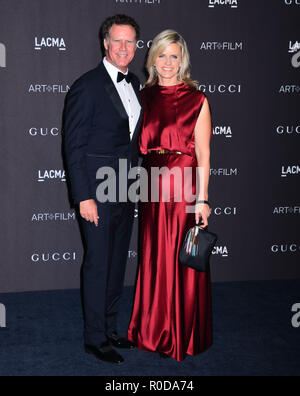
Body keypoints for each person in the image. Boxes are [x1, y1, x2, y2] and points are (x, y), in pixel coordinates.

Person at [127, 30, 213, 362]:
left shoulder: (197, 99)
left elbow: (204, 154)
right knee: (153, 256)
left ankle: (180, 333)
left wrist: (202, 200)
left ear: (183, 60)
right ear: (153, 59)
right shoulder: (143, 96)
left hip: (184, 185)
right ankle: (152, 330)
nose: (167, 62)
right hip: (151, 183)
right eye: (161, 55)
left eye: (174, 56)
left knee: (181, 256)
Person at [64, 15, 143, 365]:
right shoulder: (87, 85)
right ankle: (94, 338)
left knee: (115, 264)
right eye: (118, 41)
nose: (124, 48)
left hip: (127, 189)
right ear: (105, 44)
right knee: (98, 264)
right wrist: (84, 196)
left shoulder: (136, 82)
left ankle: (110, 328)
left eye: (130, 42)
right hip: (97, 191)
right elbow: (74, 146)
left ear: (137, 46)